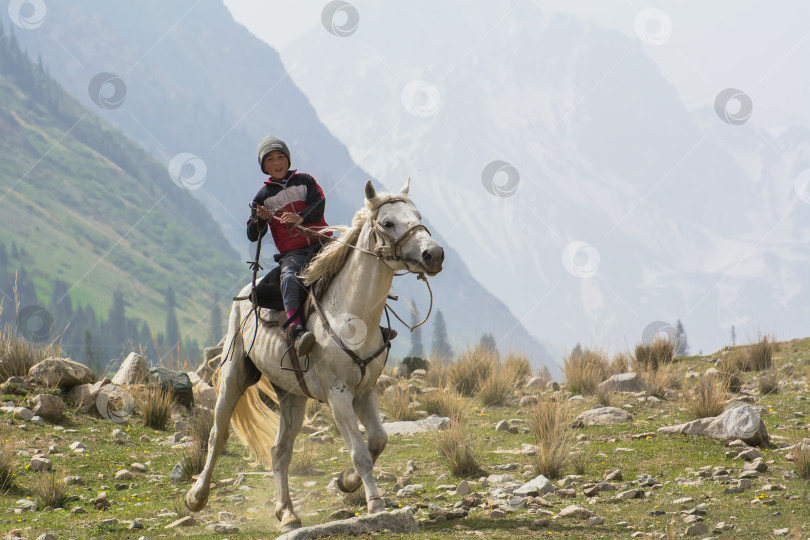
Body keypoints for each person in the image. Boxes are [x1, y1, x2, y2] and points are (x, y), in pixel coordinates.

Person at [247, 135, 331, 356]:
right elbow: (252, 234)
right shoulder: (261, 198)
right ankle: (296, 330)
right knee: (289, 278)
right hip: (293, 252)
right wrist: (261, 218)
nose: (277, 162)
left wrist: (300, 217)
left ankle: (376, 326)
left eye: (281, 156)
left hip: (322, 241)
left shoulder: (305, 181)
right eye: (270, 159)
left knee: (356, 261)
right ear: (264, 166)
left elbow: (319, 204)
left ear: (288, 159)